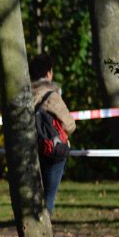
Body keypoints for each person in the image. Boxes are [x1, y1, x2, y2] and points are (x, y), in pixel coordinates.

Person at [29, 52, 76, 214]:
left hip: (31, 149)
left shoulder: (25, 95)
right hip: (51, 150)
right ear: (48, 73)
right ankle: (45, 223)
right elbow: (70, 125)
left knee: (34, 194)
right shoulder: (51, 95)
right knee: (49, 195)